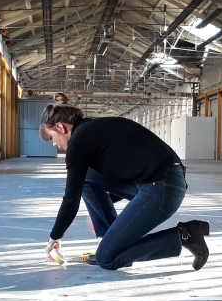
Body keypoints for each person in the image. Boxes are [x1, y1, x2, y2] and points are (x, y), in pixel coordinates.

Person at [40, 101, 210, 272]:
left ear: (60, 127)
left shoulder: (78, 142)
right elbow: (125, 171)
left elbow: (71, 199)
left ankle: (185, 235)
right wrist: (101, 208)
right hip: (164, 181)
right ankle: (111, 242)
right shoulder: (90, 130)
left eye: (51, 138)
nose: (54, 144)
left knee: (106, 259)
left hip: (163, 188)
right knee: (86, 177)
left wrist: (54, 237)